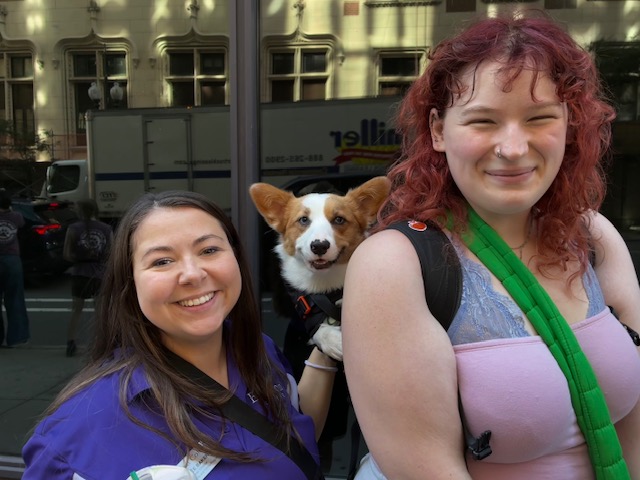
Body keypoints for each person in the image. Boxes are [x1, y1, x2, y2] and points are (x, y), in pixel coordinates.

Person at [342, 11, 640, 480]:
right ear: (439, 131)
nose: (514, 147)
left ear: (569, 125)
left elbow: (634, 430)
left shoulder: (595, 238)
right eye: (483, 121)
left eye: (540, 117)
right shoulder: (396, 266)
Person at [22, 190, 337, 479]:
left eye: (209, 249)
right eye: (162, 261)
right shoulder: (77, 434)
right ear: (130, 282)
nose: (192, 273)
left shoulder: (258, 350)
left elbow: (297, 435)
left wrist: (328, 342)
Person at [63, 199, 113, 357]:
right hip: (99, 273)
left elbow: (66, 254)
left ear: (80, 211)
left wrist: (79, 258)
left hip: (80, 272)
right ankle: (102, 345)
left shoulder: (73, 228)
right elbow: (112, 254)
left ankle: (71, 343)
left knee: (76, 309)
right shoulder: (106, 229)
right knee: (101, 312)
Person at [0, 188, 30, 347]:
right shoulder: (16, 216)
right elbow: (23, 224)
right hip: (12, 260)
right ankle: (17, 337)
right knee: (15, 299)